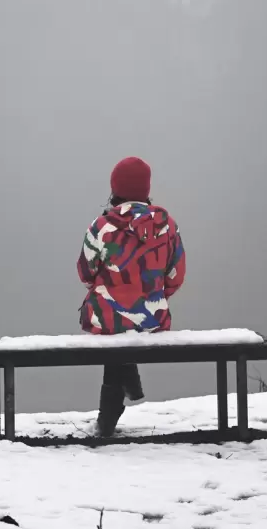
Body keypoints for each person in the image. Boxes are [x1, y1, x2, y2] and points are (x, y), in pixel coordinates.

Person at [77, 156, 186, 437]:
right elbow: (175, 276)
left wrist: (113, 292)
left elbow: (85, 273)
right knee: (126, 323)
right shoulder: (168, 226)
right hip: (153, 318)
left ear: (115, 189)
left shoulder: (101, 227)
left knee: (115, 322)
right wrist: (151, 295)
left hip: (107, 318)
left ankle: (108, 419)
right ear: (146, 189)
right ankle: (123, 395)